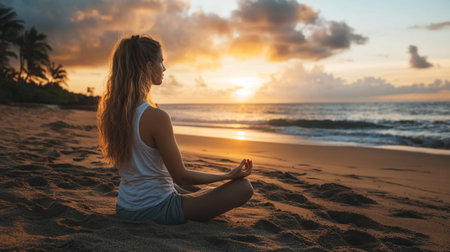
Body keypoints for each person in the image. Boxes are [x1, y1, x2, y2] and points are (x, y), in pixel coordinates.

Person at [97, 35, 254, 225]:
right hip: (157, 208)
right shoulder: (157, 117)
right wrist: (228, 175)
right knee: (244, 187)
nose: (164, 68)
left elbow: (168, 178)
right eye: (161, 62)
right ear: (147, 67)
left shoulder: (113, 114)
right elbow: (181, 175)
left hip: (126, 206)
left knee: (192, 191)